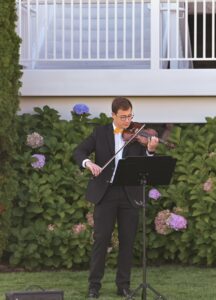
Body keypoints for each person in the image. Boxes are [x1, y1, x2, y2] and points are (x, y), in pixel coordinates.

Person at [73, 97, 159, 299]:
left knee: (127, 241)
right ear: (113, 115)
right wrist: (88, 163)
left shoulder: (138, 134)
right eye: (123, 117)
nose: (127, 121)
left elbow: (145, 165)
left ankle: (123, 286)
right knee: (101, 239)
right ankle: (94, 286)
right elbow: (80, 151)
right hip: (106, 192)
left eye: (130, 116)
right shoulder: (100, 132)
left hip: (129, 193)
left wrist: (150, 151)